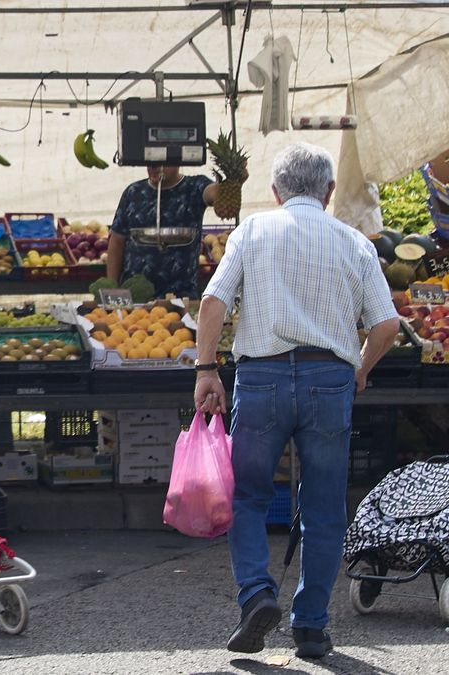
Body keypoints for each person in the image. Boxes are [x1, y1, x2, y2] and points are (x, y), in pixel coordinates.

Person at [194, 142, 399, 659]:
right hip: (329, 378)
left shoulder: (253, 231)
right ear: (329, 192)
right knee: (325, 507)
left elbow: (213, 302)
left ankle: (257, 594)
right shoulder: (354, 242)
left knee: (249, 497)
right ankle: (310, 627)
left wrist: (206, 369)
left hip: (260, 378)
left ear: (275, 191)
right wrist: (359, 366)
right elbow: (388, 324)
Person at [107, 165, 220, 298]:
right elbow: (117, 241)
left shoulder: (194, 187)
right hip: (135, 298)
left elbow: (213, 194)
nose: (155, 167)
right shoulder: (133, 192)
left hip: (181, 296)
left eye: (163, 162)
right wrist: (112, 288)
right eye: (150, 161)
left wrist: (233, 182)